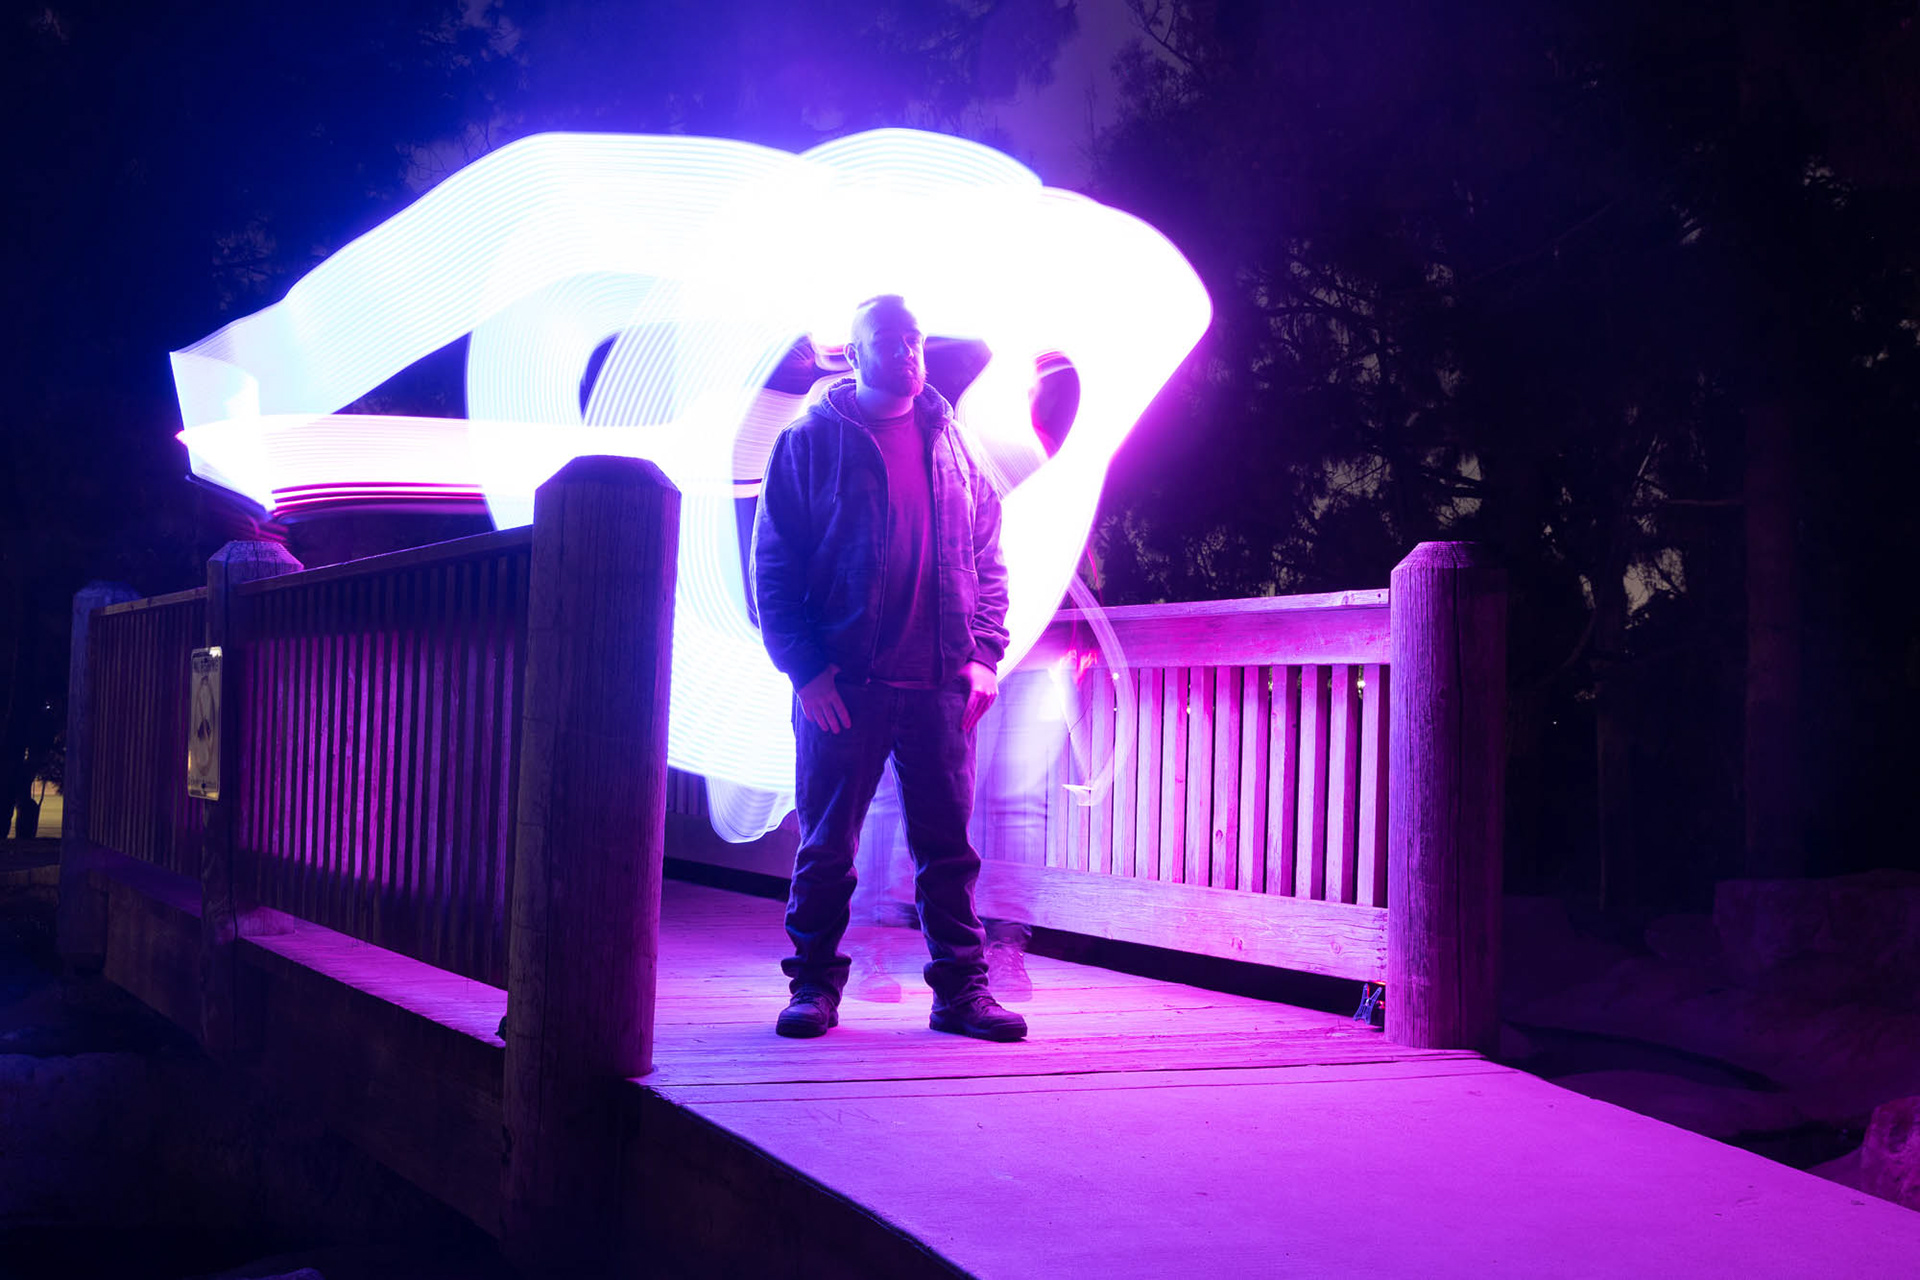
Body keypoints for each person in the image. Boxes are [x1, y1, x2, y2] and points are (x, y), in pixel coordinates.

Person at [751, 294, 1027, 1042]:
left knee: (949, 853)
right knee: (826, 849)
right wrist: (807, 672)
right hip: (845, 687)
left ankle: (962, 994)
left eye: (916, 338)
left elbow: (988, 557)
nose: (909, 351)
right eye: (890, 339)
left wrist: (983, 656)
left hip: (939, 687)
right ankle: (813, 987)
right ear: (856, 351)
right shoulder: (810, 441)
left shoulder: (954, 444)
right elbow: (773, 564)